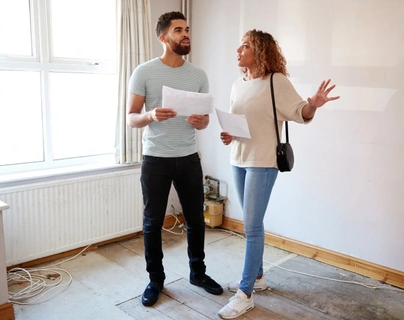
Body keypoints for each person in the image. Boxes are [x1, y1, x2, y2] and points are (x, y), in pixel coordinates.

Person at [217, 29, 340, 319]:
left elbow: (300, 112)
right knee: (251, 223)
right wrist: (228, 135)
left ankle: (245, 293)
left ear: (260, 51)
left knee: (252, 225)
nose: (238, 50)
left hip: (263, 161)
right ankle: (258, 278)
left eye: (245, 46)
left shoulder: (276, 81)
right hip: (238, 158)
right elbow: (243, 123)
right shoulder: (238, 84)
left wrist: (314, 104)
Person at [127, 11, 223, 307]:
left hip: (189, 157)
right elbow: (131, 118)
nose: (186, 34)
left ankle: (198, 273)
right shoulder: (143, 72)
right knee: (152, 223)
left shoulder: (198, 75)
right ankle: (155, 279)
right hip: (156, 159)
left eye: (187, 29)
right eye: (178, 30)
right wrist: (151, 115)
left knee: (196, 220)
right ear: (163, 37)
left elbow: (205, 120)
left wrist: (200, 122)